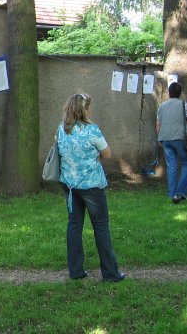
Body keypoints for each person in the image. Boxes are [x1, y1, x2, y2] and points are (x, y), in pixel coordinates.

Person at [57, 93, 125, 282]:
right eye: (89, 107)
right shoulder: (92, 130)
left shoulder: (62, 129)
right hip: (92, 185)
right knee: (101, 226)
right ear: (85, 110)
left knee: (74, 225)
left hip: (69, 184)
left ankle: (76, 271)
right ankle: (111, 273)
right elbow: (108, 153)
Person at [156, 81, 187, 202]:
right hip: (180, 138)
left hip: (165, 139)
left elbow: (158, 124)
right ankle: (180, 193)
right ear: (180, 93)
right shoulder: (183, 105)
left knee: (171, 167)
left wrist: (159, 138)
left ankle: (171, 193)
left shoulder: (161, 106)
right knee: (186, 163)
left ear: (169, 93)